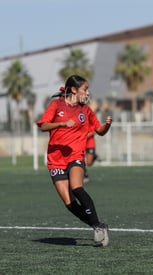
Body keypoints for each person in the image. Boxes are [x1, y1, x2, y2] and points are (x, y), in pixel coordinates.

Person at [37, 75, 112, 246]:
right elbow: (43, 125)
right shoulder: (56, 105)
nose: (87, 92)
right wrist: (62, 124)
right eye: (85, 89)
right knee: (69, 204)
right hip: (55, 160)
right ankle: (97, 225)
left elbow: (99, 130)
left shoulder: (85, 110)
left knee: (77, 188)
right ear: (73, 90)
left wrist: (107, 125)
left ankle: (98, 227)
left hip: (76, 155)